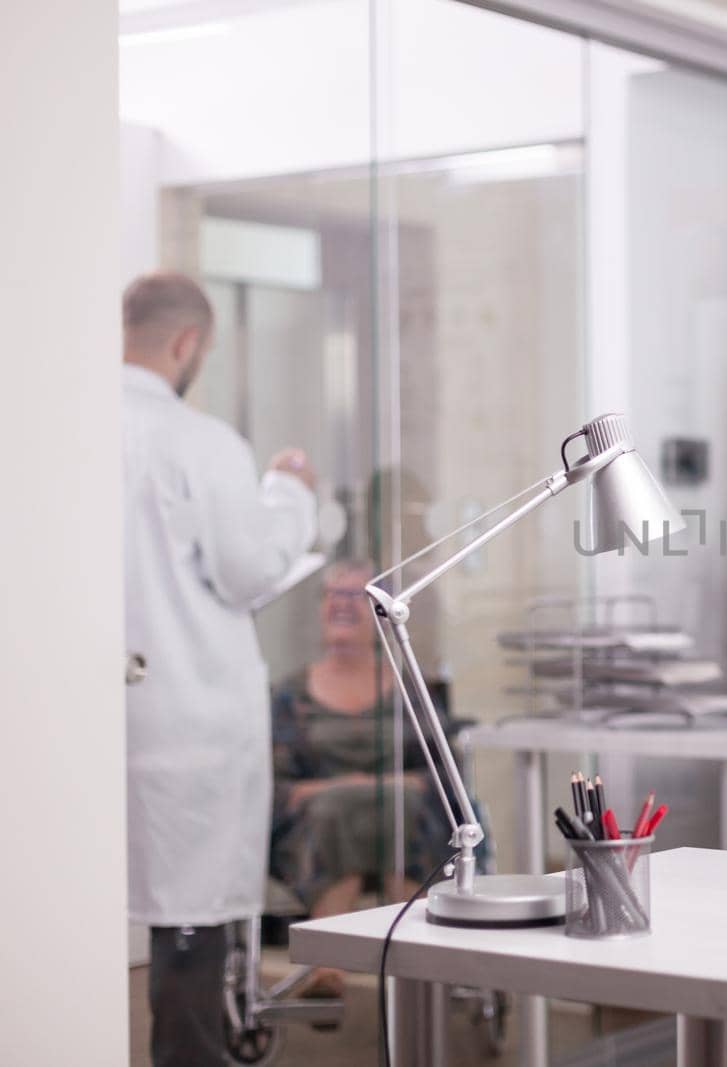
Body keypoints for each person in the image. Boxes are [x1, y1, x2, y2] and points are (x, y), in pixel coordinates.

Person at [123, 271, 318, 1066]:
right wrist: (289, 492)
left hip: (91, 715)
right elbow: (249, 568)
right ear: (188, 344)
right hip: (184, 719)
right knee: (188, 930)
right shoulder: (198, 444)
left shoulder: (52, 429)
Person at [269, 559, 453, 998]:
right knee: (340, 810)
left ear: (382, 613)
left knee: (398, 810)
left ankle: (406, 964)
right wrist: (349, 789)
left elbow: (442, 776)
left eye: (356, 596)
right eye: (333, 594)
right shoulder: (290, 694)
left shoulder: (413, 688)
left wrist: (352, 788)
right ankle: (337, 966)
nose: (341, 605)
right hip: (314, 831)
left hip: (405, 824)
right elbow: (275, 786)